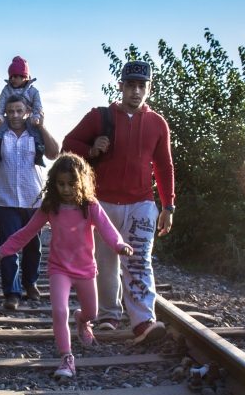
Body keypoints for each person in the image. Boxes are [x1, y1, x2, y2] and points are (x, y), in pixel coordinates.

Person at [61, 60, 176, 346]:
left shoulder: (157, 123)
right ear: (121, 86)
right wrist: (90, 148)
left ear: (148, 88)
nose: (136, 92)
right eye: (131, 86)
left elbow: (164, 166)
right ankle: (109, 316)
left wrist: (168, 205)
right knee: (105, 261)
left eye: (142, 86)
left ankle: (142, 321)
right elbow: (67, 144)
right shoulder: (100, 117)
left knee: (138, 261)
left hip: (142, 204)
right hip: (102, 203)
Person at [0, 153, 132, 378]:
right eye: (61, 184)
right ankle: (66, 358)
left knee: (92, 312)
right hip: (59, 269)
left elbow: (107, 229)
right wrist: (3, 252)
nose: (66, 189)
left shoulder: (90, 206)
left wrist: (119, 245)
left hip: (86, 269)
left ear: (81, 182)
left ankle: (82, 320)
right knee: (59, 311)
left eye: (71, 184)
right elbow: (26, 233)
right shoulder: (51, 207)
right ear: (53, 184)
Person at [0, 94, 59, 310]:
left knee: (33, 247)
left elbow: (54, 153)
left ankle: (30, 283)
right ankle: (12, 293)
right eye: (10, 111)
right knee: (8, 247)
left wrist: (42, 127)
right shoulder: (0, 135)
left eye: (19, 111)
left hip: (34, 200)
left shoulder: (35, 134)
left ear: (27, 112)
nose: (15, 115)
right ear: (5, 112)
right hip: (6, 200)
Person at [0, 56, 46, 163]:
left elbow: (38, 107)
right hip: (10, 117)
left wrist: (36, 117)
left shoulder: (33, 91)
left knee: (36, 131)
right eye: (11, 76)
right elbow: (1, 105)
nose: (12, 79)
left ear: (24, 77)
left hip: (28, 118)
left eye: (16, 76)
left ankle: (39, 156)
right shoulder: (6, 90)